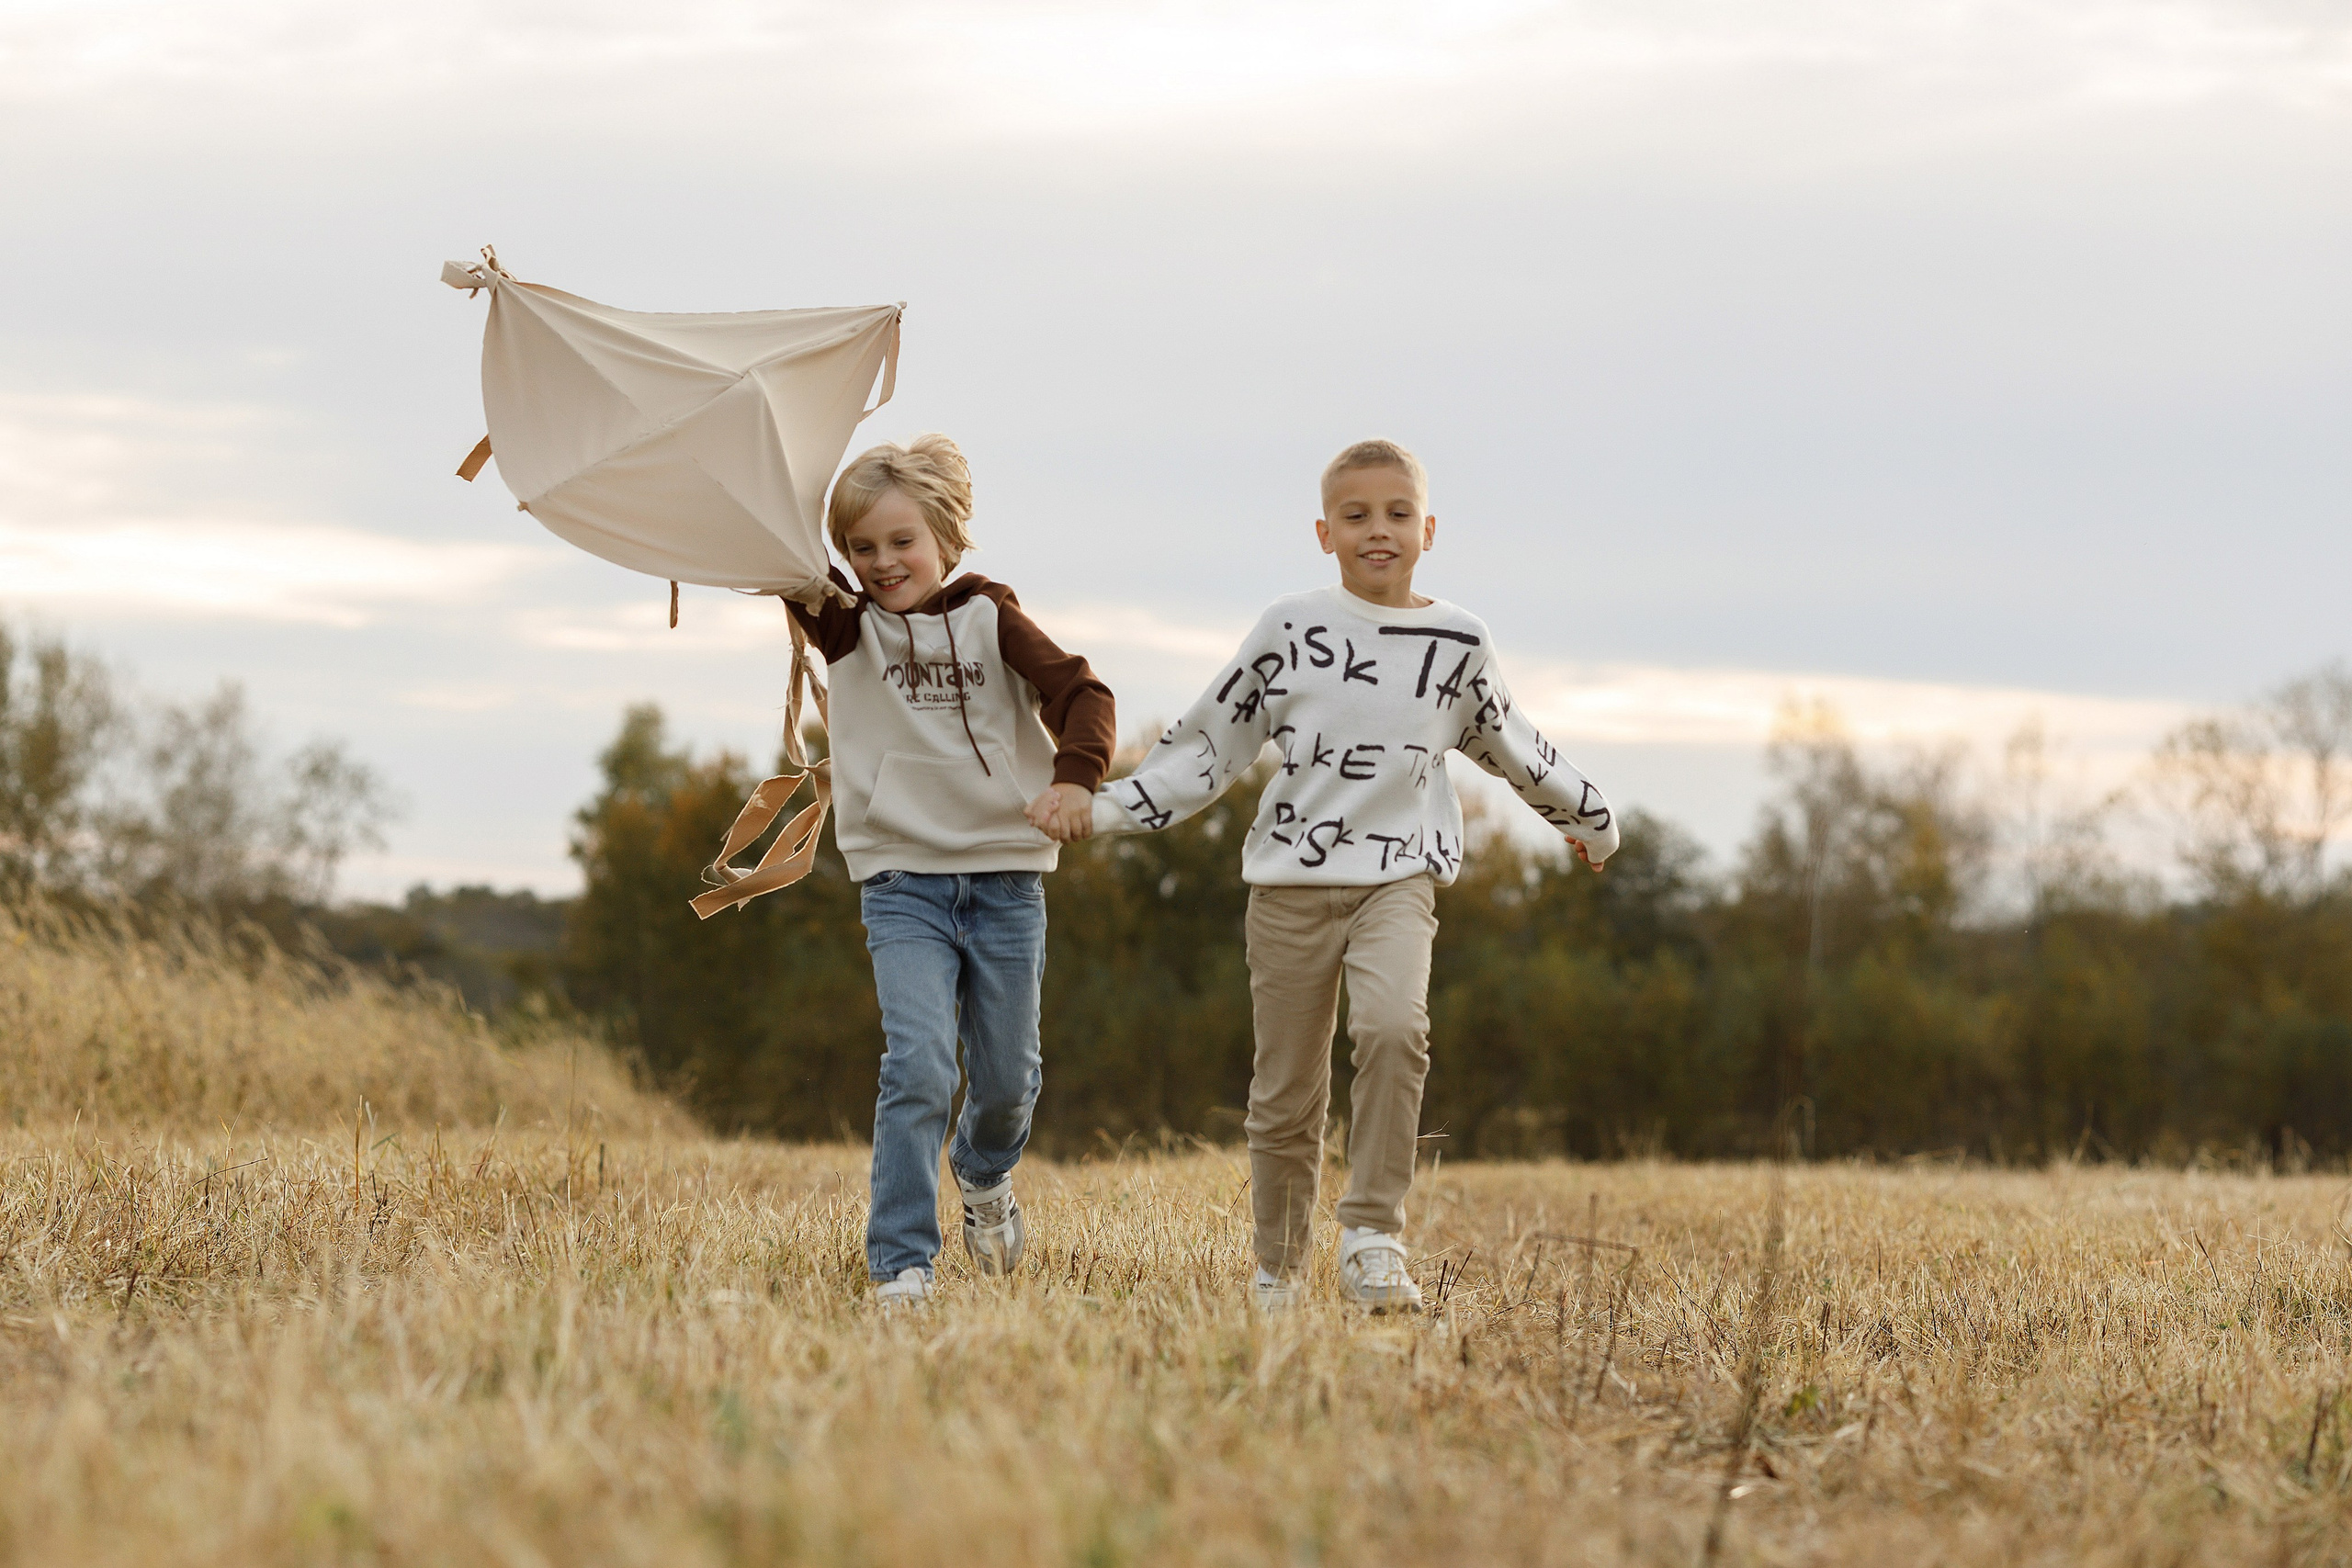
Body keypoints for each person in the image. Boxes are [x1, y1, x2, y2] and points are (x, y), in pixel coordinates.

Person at [1049, 437, 1616, 1311]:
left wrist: (1590, 820)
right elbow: (1209, 743)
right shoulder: (1290, 630)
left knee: (1395, 1030)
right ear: (1325, 533)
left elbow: (1512, 743)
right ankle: (1278, 1269)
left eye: (1397, 514)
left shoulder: (1458, 642)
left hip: (1398, 881)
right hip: (1289, 887)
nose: (1377, 530)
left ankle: (1372, 1237)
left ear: (1428, 529)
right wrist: (1108, 807)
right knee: (1285, 1091)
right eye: (1356, 516)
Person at [792, 434, 1114, 1308]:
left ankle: (982, 1168)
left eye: (902, 541)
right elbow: (770, 542)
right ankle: (902, 1263)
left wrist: (1075, 778)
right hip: (903, 884)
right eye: (861, 546)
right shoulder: (844, 624)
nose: (882, 561)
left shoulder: (991, 617)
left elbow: (1083, 694)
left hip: (1006, 882)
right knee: (919, 1066)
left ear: (945, 537)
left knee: (1009, 1082)